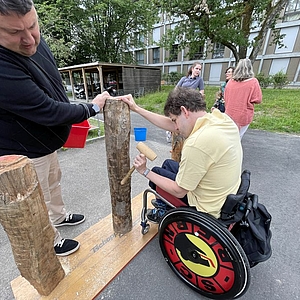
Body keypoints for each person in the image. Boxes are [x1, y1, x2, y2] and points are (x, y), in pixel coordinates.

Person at [0, 0, 110, 256]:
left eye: (32, 26)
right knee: (35, 201)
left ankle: (59, 216)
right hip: (22, 151)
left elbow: (52, 85)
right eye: (15, 32)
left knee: (53, 183)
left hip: (45, 143)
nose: (29, 39)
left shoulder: (32, 42)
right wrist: (90, 108)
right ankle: (50, 240)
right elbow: (47, 110)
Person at [120, 87, 243, 223]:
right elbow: (175, 126)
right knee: (168, 164)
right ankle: (166, 205)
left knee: (155, 174)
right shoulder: (221, 119)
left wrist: (144, 171)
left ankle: (166, 211)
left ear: (184, 111)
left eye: (174, 120)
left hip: (207, 207)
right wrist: (136, 108)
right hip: (224, 195)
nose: (175, 128)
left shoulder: (197, 143)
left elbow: (179, 191)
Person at [224, 58, 262, 139]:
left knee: (228, 137)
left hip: (229, 114)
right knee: (237, 138)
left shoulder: (230, 82)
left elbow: (225, 96)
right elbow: (257, 99)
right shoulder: (253, 82)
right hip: (243, 115)